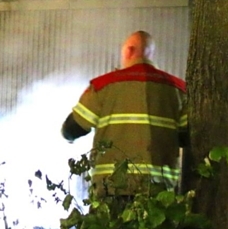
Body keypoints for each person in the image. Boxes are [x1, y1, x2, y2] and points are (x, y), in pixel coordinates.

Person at [61, 30, 189, 196]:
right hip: (160, 195)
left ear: (128, 50)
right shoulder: (178, 89)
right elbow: (186, 138)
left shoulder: (104, 86)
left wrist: (68, 137)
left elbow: (72, 129)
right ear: (150, 53)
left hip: (112, 191)